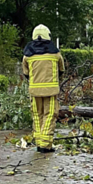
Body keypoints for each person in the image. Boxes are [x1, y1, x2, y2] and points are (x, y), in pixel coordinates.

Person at [21, 24, 65, 153]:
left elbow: (26, 73)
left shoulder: (27, 55)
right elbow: (61, 70)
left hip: (34, 91)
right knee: (49, 115)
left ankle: (39, 143)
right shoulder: (55, 53)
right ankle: (45, 145)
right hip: (51, 91)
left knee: (37, 115)